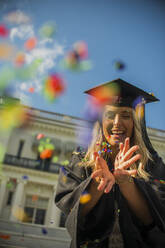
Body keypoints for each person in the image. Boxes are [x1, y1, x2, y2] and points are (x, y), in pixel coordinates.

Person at [55, 78, 165, 248]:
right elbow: (72, 212)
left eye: (126, 115)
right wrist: (97, 183)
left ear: (136, 122)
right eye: (110, 115)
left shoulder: (151, 162)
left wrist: (127, 184)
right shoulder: (82, 159)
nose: (116, 123)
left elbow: (154, 219)